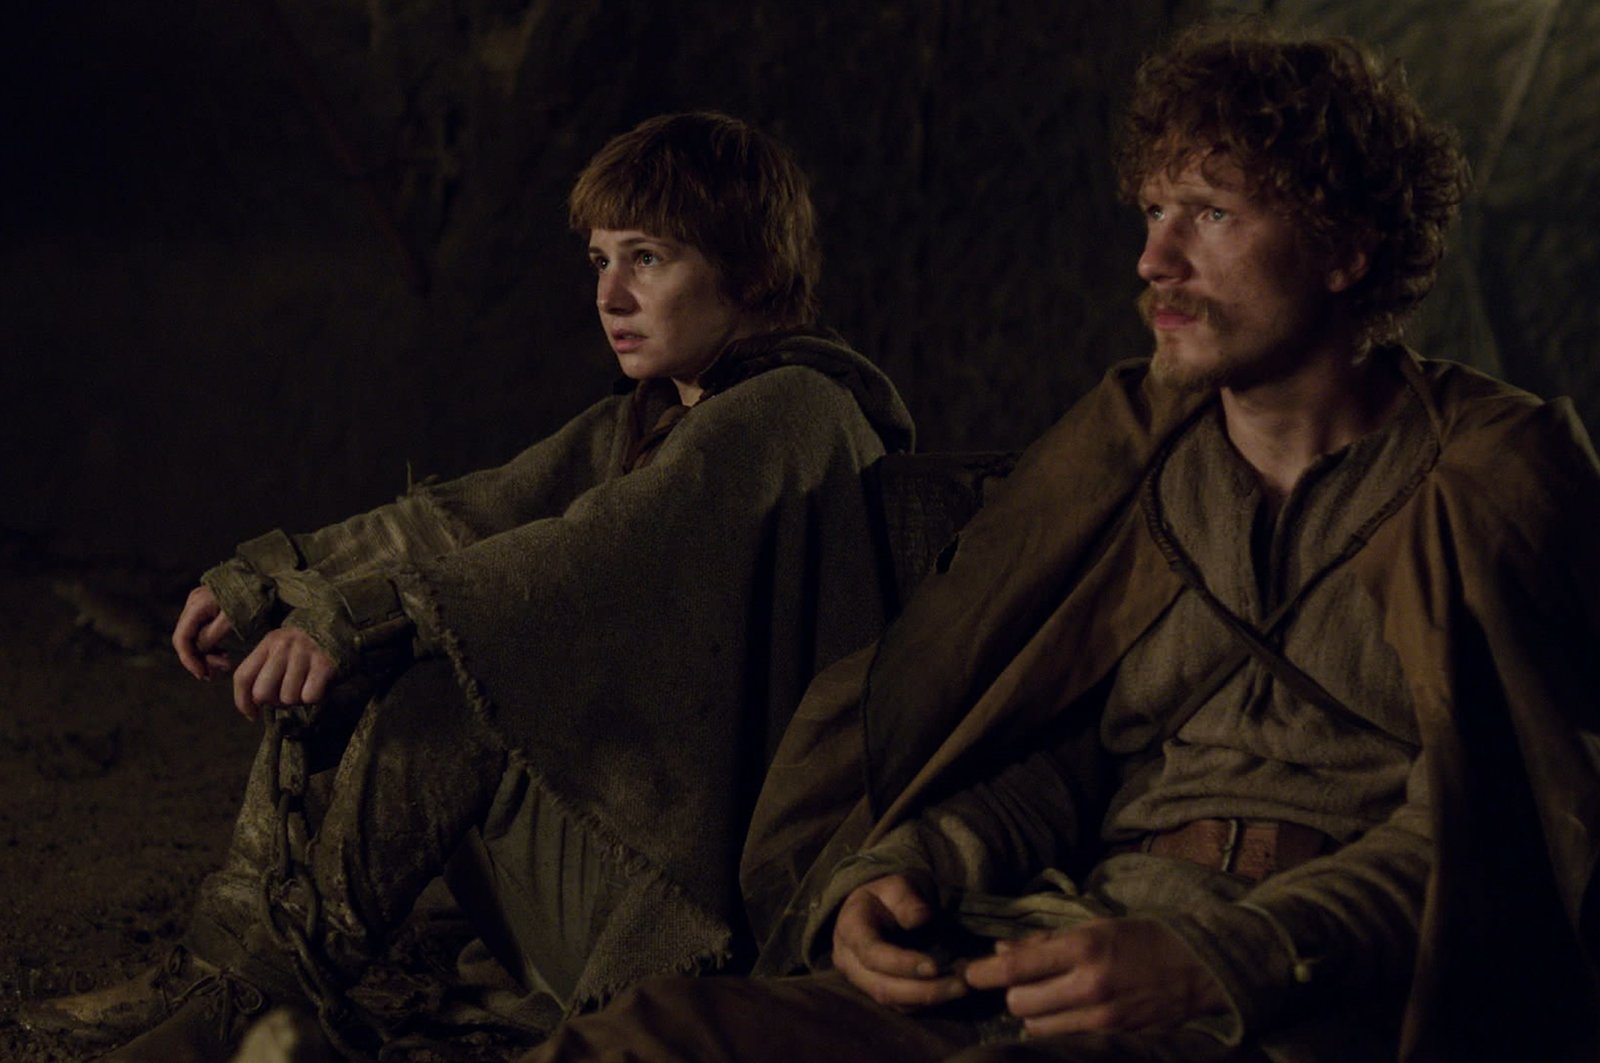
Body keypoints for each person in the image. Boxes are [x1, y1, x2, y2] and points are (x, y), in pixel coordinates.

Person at [520, 24, 1600, 1063]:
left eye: (1212, 214)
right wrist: (908, 866)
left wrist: (1227, 957)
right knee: (650, 1040)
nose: (1155, 259)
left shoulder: (1492, 475)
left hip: (1314, 1001)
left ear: (1345, 248)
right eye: (1154, 211)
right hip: (1064, 934)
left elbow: (1508, 821)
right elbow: (1065, 749)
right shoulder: (1131, 456)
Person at [25, 111, 914, 1061]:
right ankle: (221, 974)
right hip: (652, 862)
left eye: (647, 259)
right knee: (397, 637)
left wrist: (356, 619)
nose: (609, 294)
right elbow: (471, 517)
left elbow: (583, 555)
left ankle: (245, 998)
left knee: (445, 677)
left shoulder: (792, 411)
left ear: (752, 268)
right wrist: (275, 579)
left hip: (712, 919)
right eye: (599, 260)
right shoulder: (665, 410)